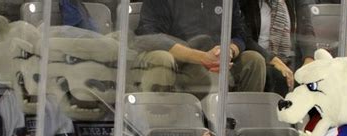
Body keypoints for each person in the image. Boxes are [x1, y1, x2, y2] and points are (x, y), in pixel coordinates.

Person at [133, 0, 266, 96]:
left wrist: (229, 51)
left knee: (254, 60)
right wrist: (202, 58)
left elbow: (240, 33)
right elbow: (149, 34)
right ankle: (159, 125)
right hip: (178, 61)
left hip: (217, 61)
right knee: (161, 58)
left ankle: (235, 127)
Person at [240, 0, 317, 96]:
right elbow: (245, 38)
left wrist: (309, 60)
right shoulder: (246, 3)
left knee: (313, 76)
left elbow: (307, 30)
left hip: (290, 58)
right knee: (279, 78)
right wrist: (272, 59)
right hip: (262, 58)